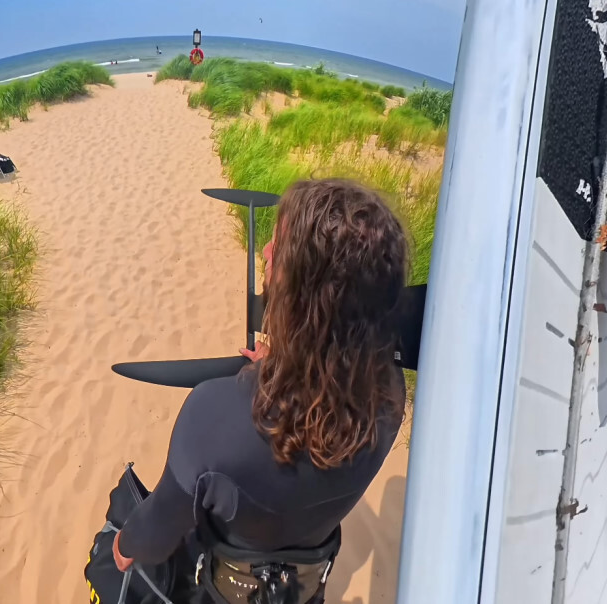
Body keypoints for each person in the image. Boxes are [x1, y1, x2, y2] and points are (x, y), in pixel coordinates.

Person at [111, 178, 411, 602]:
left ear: (302, 298)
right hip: (308, 590)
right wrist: (286, 364)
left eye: (279, 251)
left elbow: (155, 535)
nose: (266, 254)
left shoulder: (214, 416)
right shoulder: (389, 398)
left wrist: (122, 547)